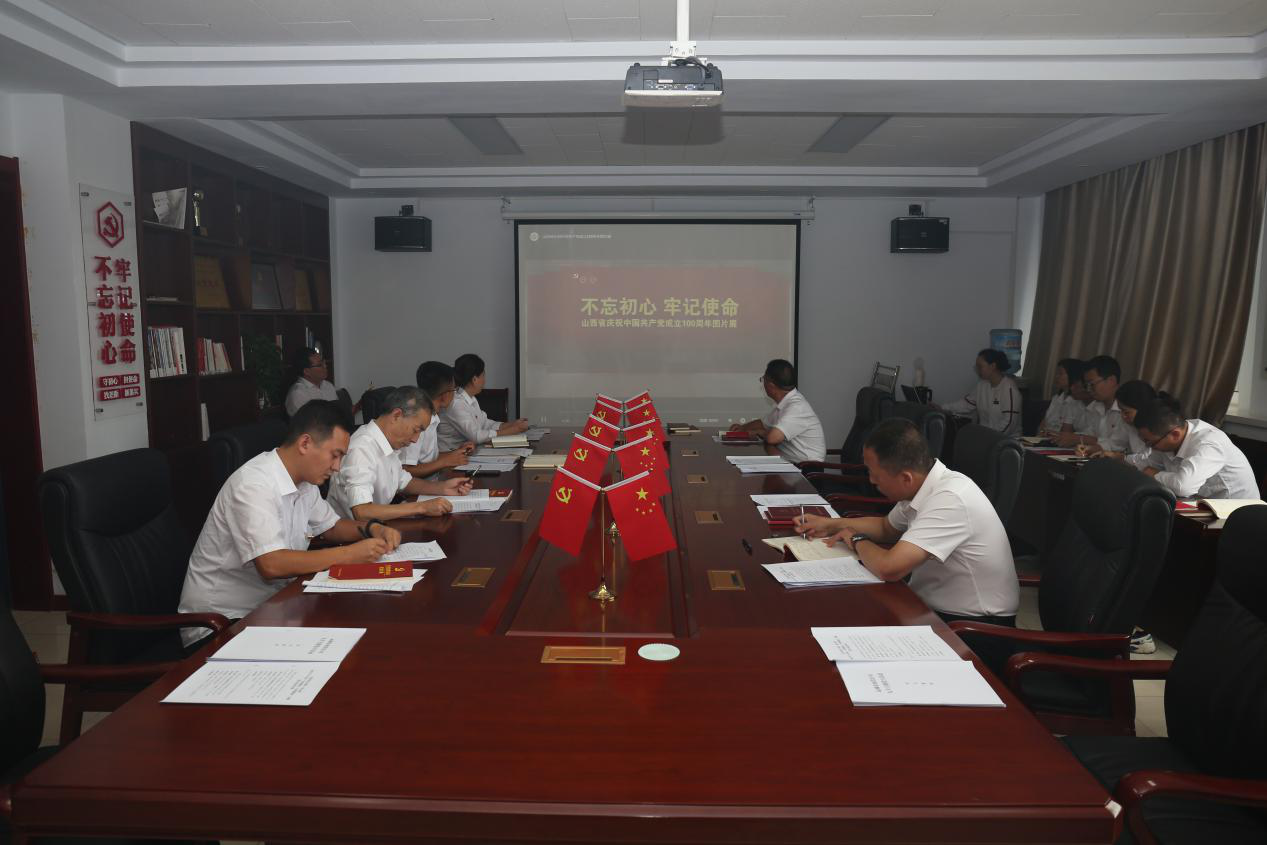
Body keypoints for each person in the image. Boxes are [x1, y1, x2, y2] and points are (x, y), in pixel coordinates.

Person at [794, 418, 1019, 665]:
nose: (871, 481)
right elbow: (886, 528)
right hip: (931, 611)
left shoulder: (951, 499)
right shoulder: (924, 484)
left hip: (975, 632)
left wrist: (855, 537)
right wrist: (831, 524)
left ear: (906, 478)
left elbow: (889, 568)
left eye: (874, 474)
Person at [177, 401, 403, 646]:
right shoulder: (253, 485)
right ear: (305, 443)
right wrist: (350, 554)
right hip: (221, 624)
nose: (337, 467)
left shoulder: (305, 481)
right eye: (335, 455)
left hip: (274, 605)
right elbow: (272, 564)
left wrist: (372, 528)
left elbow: (332, 527)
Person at [328, 386, 472, 521]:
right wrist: (422, 507)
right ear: (396, 415)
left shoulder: (387, 442)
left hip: (377, 528)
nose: (415, 439)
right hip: (352, 535)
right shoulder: (361, 449)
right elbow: (362, 511)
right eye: (416, 430)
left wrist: (443, 487)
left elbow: (404, 482)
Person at [1134, 399, 1260, 500]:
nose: (1148, 447)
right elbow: (1145, 465)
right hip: (1202, 507)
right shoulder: (1169, 435)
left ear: (1175, 435)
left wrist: (1155, 474)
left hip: (1236, 514)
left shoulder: (1208, 442)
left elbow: (1183, 487)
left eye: (1151, 443)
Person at [729, 359, 827, 463]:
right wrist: (743, 428)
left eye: (763, 379)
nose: (763, 384)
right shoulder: (786, 403)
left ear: (771, 386)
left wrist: (758, 432)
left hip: (808, 468)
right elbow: (763, 423)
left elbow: (773, 438)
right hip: (792, 463)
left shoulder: (797, 407)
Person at [437, 353, 529, 451]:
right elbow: (476, 436)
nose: (484, 381)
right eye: (483, 376)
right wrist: (513, 430)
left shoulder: (471, 398)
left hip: (465, 452)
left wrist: (513, 424)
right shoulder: (456, 403)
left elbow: (485, 424)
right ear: (474, 379)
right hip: (449, 454)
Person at [401, 361, 475, 480]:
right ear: (445, 395)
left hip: (435, 481)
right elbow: (406, 470)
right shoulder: (417, 421)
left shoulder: (434, 416)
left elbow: (429, 459)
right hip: (421, 488)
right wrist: (445, 462)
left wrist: (456, 453)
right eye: (454, 390)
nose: (455, 394)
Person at [940, 348, 1022, 437]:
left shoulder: (1009, 388)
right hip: (985, 437)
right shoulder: (982, 385)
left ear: (993, 366)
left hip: (1005, 440)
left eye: (980, 366)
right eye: (977, 367)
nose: (977, 370)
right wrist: (942, 408)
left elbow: (1009, 424)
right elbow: (966, 404)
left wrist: (987, 437)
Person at [1074, 355, 1130, 454]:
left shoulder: (1127, 409)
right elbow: (1089, 433)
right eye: (1087, 385)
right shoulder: (1095, 406)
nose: (1089, 390)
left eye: (1092, 384)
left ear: (1111, 380)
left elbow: (1118, 444)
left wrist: (1080, 439)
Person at [283, 346, 339, 417]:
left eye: (324, 362)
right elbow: (309, 422)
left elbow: (337, 412)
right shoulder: (298, 394)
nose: (325, 366)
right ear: (307, 371)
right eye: (320, 365)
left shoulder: (328, 385)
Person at [1039, 358, 1085, 437]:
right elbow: (1042, 425)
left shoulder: (1077, 402)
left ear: (1073, 375)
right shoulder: (1056, 398)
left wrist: (1048, 434)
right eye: (1057, 373)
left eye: (1060, 373)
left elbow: (1067, 434)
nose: (1056, 376)